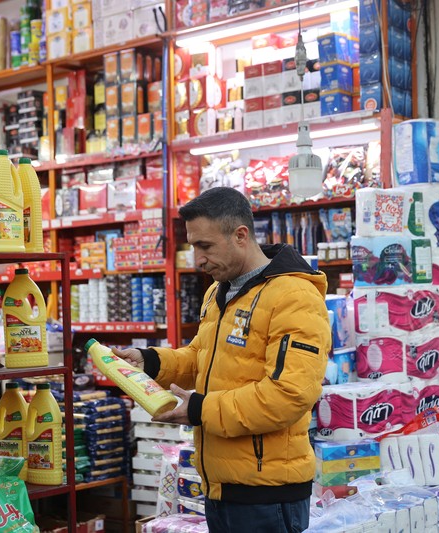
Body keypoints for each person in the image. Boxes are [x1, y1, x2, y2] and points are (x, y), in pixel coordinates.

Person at [112, 187, 330, 532]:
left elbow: (289, 396)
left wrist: (199, 410)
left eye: (205, 246)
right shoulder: (219, 292)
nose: (197, 259)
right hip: (219, 487)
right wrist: (149, 362)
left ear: (240, 235)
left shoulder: (294, 296)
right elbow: (200, 358)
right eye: (193, 246)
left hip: (268, 495)